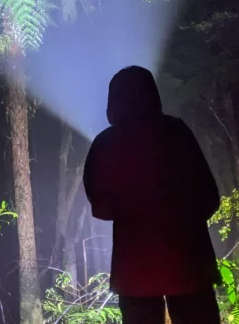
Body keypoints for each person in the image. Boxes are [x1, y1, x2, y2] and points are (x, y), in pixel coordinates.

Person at [83, 66, 221, 324]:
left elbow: (100, 208)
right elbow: (209, 196)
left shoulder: (106, 143)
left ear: (113, 101)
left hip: (134, 269)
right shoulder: (177, 132)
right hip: (190, 262)